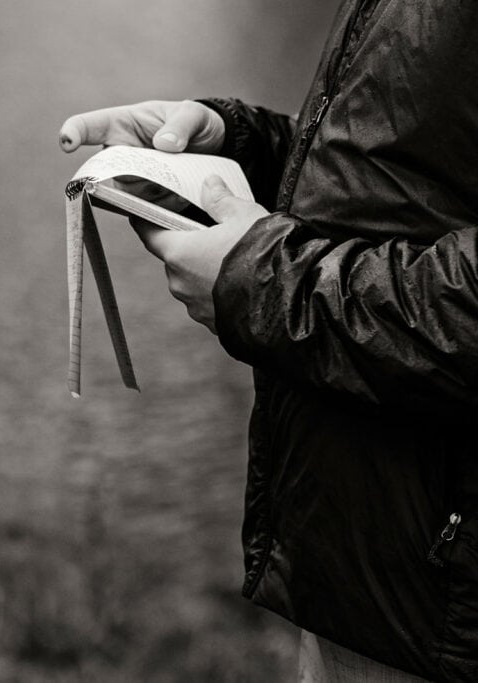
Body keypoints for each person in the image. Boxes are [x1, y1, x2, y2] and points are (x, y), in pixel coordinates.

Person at [60, 2, 478, 681]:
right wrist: (234, 151)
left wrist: (260, 279)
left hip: (445, 621)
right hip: (367, 584)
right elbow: (408, 185)